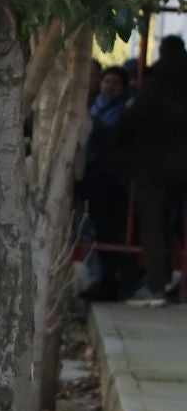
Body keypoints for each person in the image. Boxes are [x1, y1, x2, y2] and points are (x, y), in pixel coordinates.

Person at [118, 34, 187, 305]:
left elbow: (131, 120)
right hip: (181, 165)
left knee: (154, 224)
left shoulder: (156, 83)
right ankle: (169, 281)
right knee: (175, 224)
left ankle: (158, 283)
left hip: (154, 166)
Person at [80, 64, 132, 299]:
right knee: (87, 231)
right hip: (86, 177)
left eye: (115, 83)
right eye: (106, 82)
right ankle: (96, 279)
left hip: (110, 181)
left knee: (107, 233)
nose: (109, 87)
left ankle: (108, 282)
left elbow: (113, 137)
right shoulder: (90, 105)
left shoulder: (124, 111)